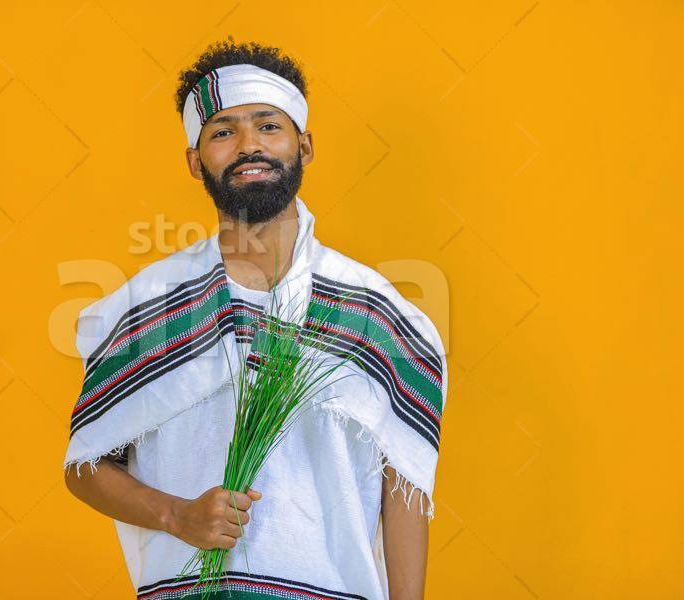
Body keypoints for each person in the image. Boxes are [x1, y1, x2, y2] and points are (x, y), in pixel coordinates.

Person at [63, 39, 448, 600]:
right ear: (195, 163)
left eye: (269, 126)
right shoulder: (146, 307)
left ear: (305, 145)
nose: (249, 146)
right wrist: (176, 516)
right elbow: (86, 465)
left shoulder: (380, 313)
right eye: (222, 132)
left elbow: (403, 489)